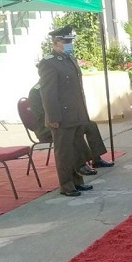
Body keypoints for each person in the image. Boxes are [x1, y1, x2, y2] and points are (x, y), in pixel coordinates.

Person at [38, 25, 94, 197]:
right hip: (61, 116)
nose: (69, 44)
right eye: (66, 41)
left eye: (70, 41)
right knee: (64, 153)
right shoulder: (48, 62)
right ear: (56, 42)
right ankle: (66, 185)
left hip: (75, 113)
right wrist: (54, 117)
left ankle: (77, 181)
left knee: (76, 150)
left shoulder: (69, 58)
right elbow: (48, 93)